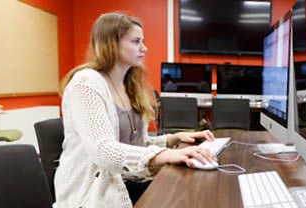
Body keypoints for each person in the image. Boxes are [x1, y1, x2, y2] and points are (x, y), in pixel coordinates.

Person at [54, 12, 217, 207]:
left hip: (127, 181)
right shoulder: (86, 84)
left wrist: (174, 139)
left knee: (194, 191)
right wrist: (165, 154)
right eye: (136, 41)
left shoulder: (128, 85)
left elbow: (136, 144)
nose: (144, 48)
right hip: (93, 195)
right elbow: (103, 151)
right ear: (111, 44)